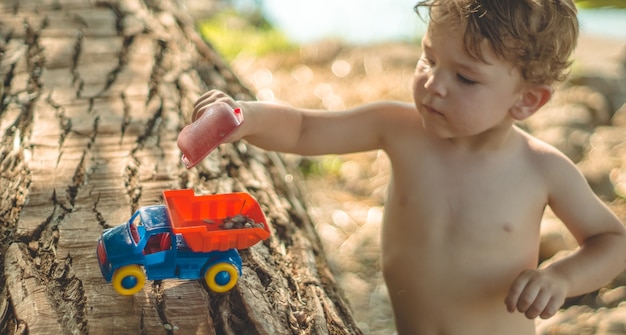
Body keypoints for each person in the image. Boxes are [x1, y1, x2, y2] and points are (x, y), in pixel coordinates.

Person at [188, 0, 626, 334]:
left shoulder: (542, 170)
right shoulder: (400, 128)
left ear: (527, 99)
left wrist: (561, 277)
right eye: (428, 58)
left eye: (466, 78)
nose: (433, 85)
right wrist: (244, 117)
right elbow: (304, 129)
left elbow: (611, 241)